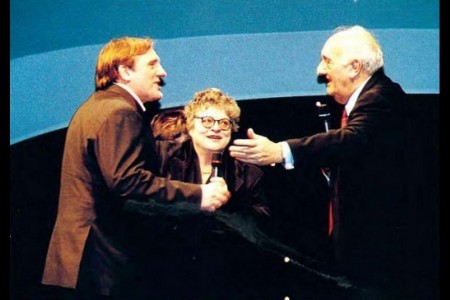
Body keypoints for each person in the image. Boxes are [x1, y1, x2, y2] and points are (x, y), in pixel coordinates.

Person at [41, 37, 230, 299]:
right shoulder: (120, 113)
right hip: (103, 264)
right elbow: (127, 181)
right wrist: (199, 195)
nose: (162, 72)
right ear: (124, 71)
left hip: (81, 259)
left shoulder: (94, 109)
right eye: (152, 64)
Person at [229, 25, 411, 298]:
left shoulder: (381, 98)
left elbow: (352, 139)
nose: (319, 70)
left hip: (380, 254)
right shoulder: (369, 101)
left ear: (354, 67)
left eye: (327, 61)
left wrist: (281, 151)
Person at [135, 87, 273, 299]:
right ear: (190, 126)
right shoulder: (162, 156)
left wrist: (229, 205)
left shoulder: (248, 173)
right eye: (207, 121)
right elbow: (140, 203)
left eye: (224, 123)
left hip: (224, 277)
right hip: (166, 271)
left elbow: (260, 229)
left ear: (232, 129)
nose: (216, 128)